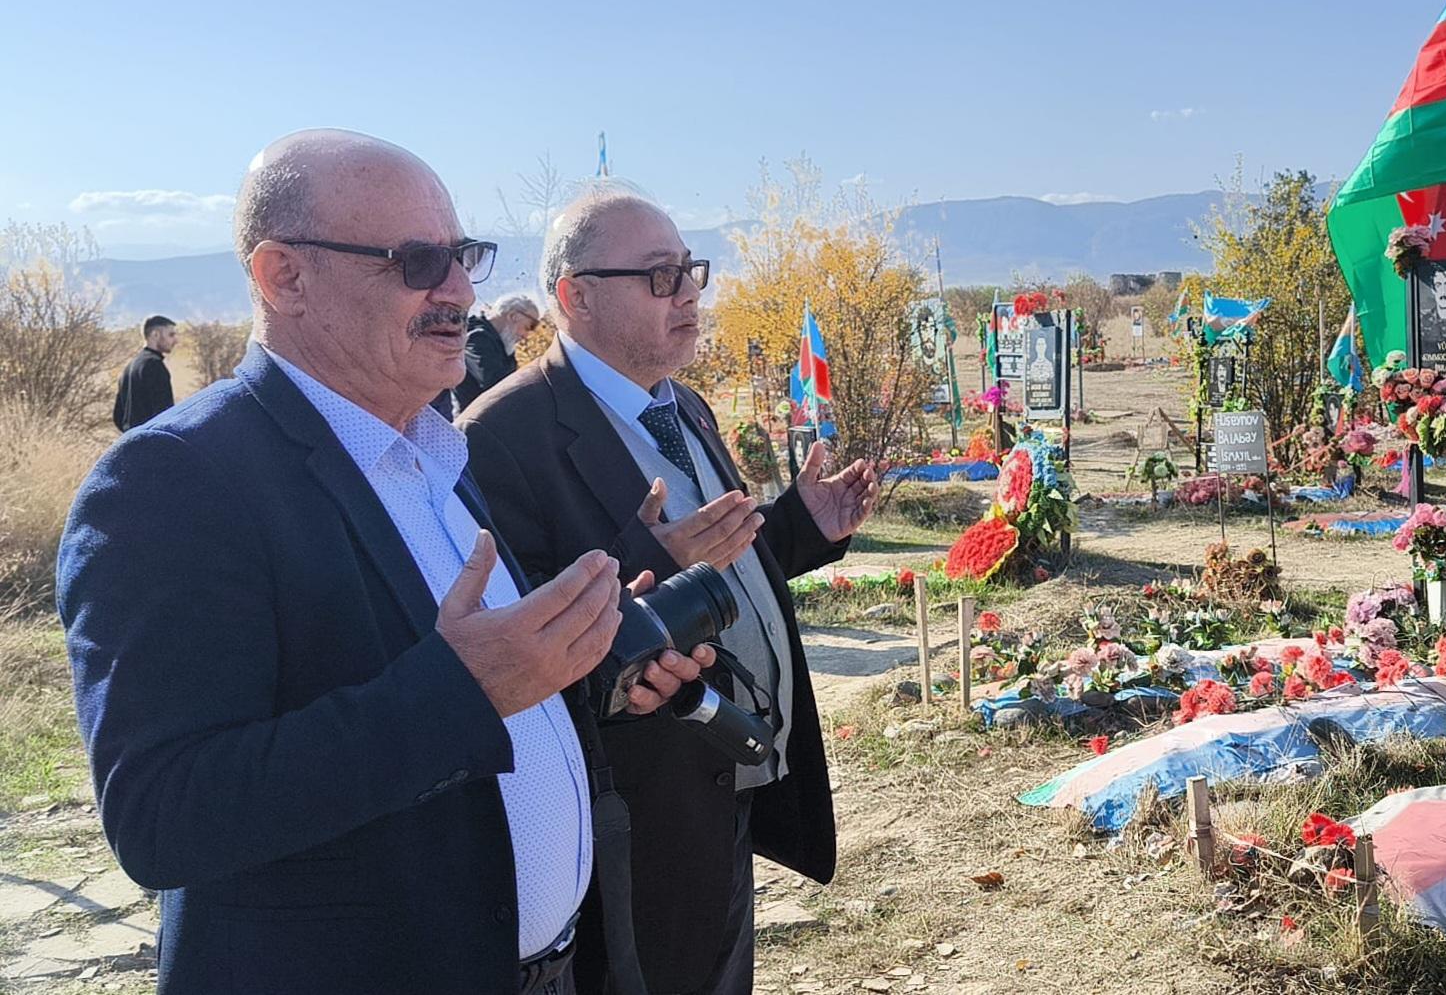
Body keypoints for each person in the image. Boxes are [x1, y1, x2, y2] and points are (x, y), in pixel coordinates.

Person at [58, 129, 709, 995]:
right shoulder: (174, 481)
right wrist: (463, 690)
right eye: (418, 262)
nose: (460, 292)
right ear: (283, 277)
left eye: (463, 257)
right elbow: (165, 815)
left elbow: (480, 701)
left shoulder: (433, 455)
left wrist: (589, 675)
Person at [458, 190, 877, 995]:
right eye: (659, 276)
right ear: (576, 295)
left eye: (690, 271)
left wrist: (797, 527)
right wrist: (647, 558)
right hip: (630, 821)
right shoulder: (500, 437)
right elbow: (513, 644)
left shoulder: (681, 404)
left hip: (725, 789)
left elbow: (718, 561)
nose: (688, 293)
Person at [457, 293, 542, 412]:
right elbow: (496, 384)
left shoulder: (502, 344)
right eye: (529, 327)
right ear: (513, 316)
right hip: (475, 418)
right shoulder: (477, 338)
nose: (526, 336)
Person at [112, 315, 177, 431]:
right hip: (151, 437)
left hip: (130, 438)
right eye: (171, 335)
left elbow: (118, 417)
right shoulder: (154, 365)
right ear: (155, 335)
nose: (176, 340)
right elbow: (165, 413)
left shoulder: (129, 367)